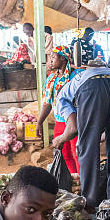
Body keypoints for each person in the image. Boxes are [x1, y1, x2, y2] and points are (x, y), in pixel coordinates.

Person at [53, 60, 110, 210]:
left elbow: (73, 128)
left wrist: (60, 139)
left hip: (92, 86)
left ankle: (90, 202)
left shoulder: (61, 97)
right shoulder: (84, 79)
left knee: (87, 147)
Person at [36, 46, 80, 174]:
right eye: (50, 57)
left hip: (76, 121)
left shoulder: (76, 75)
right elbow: (47, 104)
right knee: (63, 153)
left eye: (53, 57)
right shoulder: (51, 79)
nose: (50, 60)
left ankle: (84, 181)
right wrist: (39, 122)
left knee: (78, 153)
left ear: (63, 58)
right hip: (60, 122)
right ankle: (73, 178)